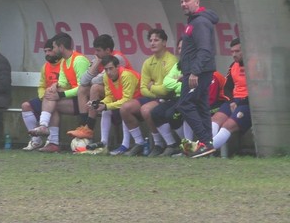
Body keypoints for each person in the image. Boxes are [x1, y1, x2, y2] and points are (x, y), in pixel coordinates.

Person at [150, 39, 226, 156]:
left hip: (208, 103)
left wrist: (182, 85)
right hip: (183, 97)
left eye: (184, 48)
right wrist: (183, 85)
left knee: (181, 111)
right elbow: (167, 82)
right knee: (156, 112)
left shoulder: (204, 70)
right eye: (180, 48)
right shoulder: (179, 65)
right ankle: (181, 146)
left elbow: (206, 95)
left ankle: (197, 148)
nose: (182, 51)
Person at [120, 28, 178, 157]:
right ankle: (140, 143)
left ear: (164, 42)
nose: (152, 43)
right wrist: (156, 91)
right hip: (155, 96)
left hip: (170, 97)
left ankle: (162, 144)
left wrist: (153, 87)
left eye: (156, 40)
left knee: (146, 110)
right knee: (125, 108)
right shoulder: (148, 62)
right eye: (150, 40)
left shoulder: (171, 60)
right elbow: (143, 88)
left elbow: (167, 89)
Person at [175, 0, 219, 158]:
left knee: (185, 104)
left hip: (199, 72)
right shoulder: (194, 21)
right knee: (201, 106)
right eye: (181, 1)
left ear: (197, 2)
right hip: (196, 71)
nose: (183, 4)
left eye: (187, 1)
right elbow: (193, 50)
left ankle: (204, 141)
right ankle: (207, 145)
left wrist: (194, 72)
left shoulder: (200, 22)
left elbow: (204, 50)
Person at [28, 32, 90, 152]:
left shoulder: (79, 60)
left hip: (86, 101)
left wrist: (60, 94)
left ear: (61, 47)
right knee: (50, 94)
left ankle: (45, 127)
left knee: (53, 98)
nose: (53, 49)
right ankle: (51, 140)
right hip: (75, 99)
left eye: (54, 47)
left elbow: (83, 88)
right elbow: (63, 83)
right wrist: (54, 87)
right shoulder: (64, 61)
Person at [67, 34, 133, 140]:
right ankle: (83, 127)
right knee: (82, 89)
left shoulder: (117, 58)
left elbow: (97, 80)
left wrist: (96, 66)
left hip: (126, 94)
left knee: (95, 87)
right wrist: (96, 63)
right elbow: (83, 82)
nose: (95, 53)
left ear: (107, 50)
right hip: (111, 92)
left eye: (98, 50)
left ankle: (89, 128)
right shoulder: (98, 59)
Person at [84, 55, 141, 155]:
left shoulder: (126, 75)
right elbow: (110, 96)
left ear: (118, 67)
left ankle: (125, 145)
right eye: (106, 70)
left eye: (111, 69)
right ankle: (104, 143)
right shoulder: (107, 77)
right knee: (107, 110)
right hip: (124, 102)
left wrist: (106, 105)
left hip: (139, 101)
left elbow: (127, 99)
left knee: (124, 109)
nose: (109, 72)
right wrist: (99, 103)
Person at [21, 38, 62, 151]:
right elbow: (41, 85)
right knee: (25, 106)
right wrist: (42, 96)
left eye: (50, 50)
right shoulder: (45, 66)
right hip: (46, 98)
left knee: (53, 105)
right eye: (45, 51)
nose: (47, 54)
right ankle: (36, 140)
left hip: (60, 98)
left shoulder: (64, 63)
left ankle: (53, 141)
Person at [211, 37, 251, 151]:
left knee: (227, 125)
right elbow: (227, 88)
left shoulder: (255, 64)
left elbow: (259, 89)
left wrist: (242, 102)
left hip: (248, 103)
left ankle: (207, 149)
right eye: (232, 51)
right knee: (214, 120)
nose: (234, 54)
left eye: (237, 51)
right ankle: (206, 148)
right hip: (234, 101)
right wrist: (232, 101)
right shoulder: (233, 66)